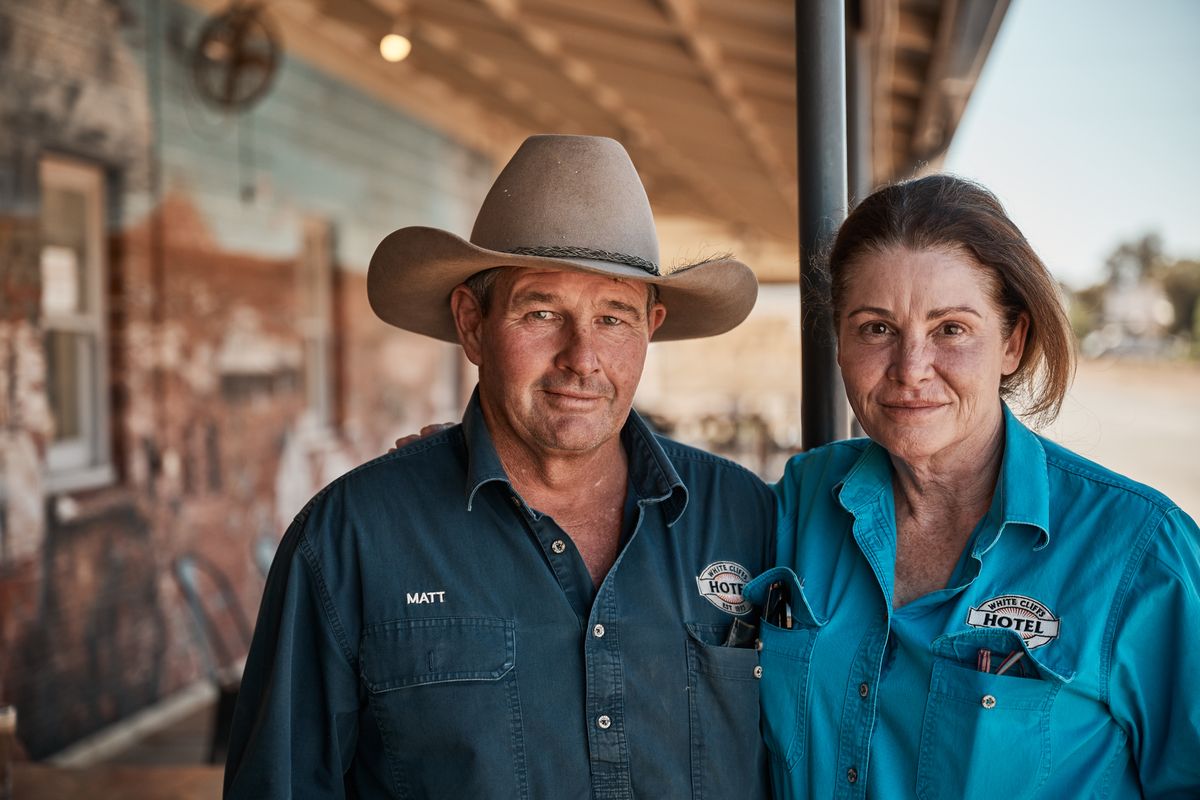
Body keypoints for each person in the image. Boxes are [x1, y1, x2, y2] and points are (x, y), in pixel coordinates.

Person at [223, 134, 776, 799]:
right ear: (471, 324)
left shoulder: (749, 520)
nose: (582, 357)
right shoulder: (353, 540)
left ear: (650, 328)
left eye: (613, 318)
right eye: (542, 313)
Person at [744, 174, 1200, 798]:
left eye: (951, 329)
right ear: (842, 343)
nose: (911, 369)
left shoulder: (1140, 551)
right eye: (876, 328)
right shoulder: (802, 497)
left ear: (1012, 341)